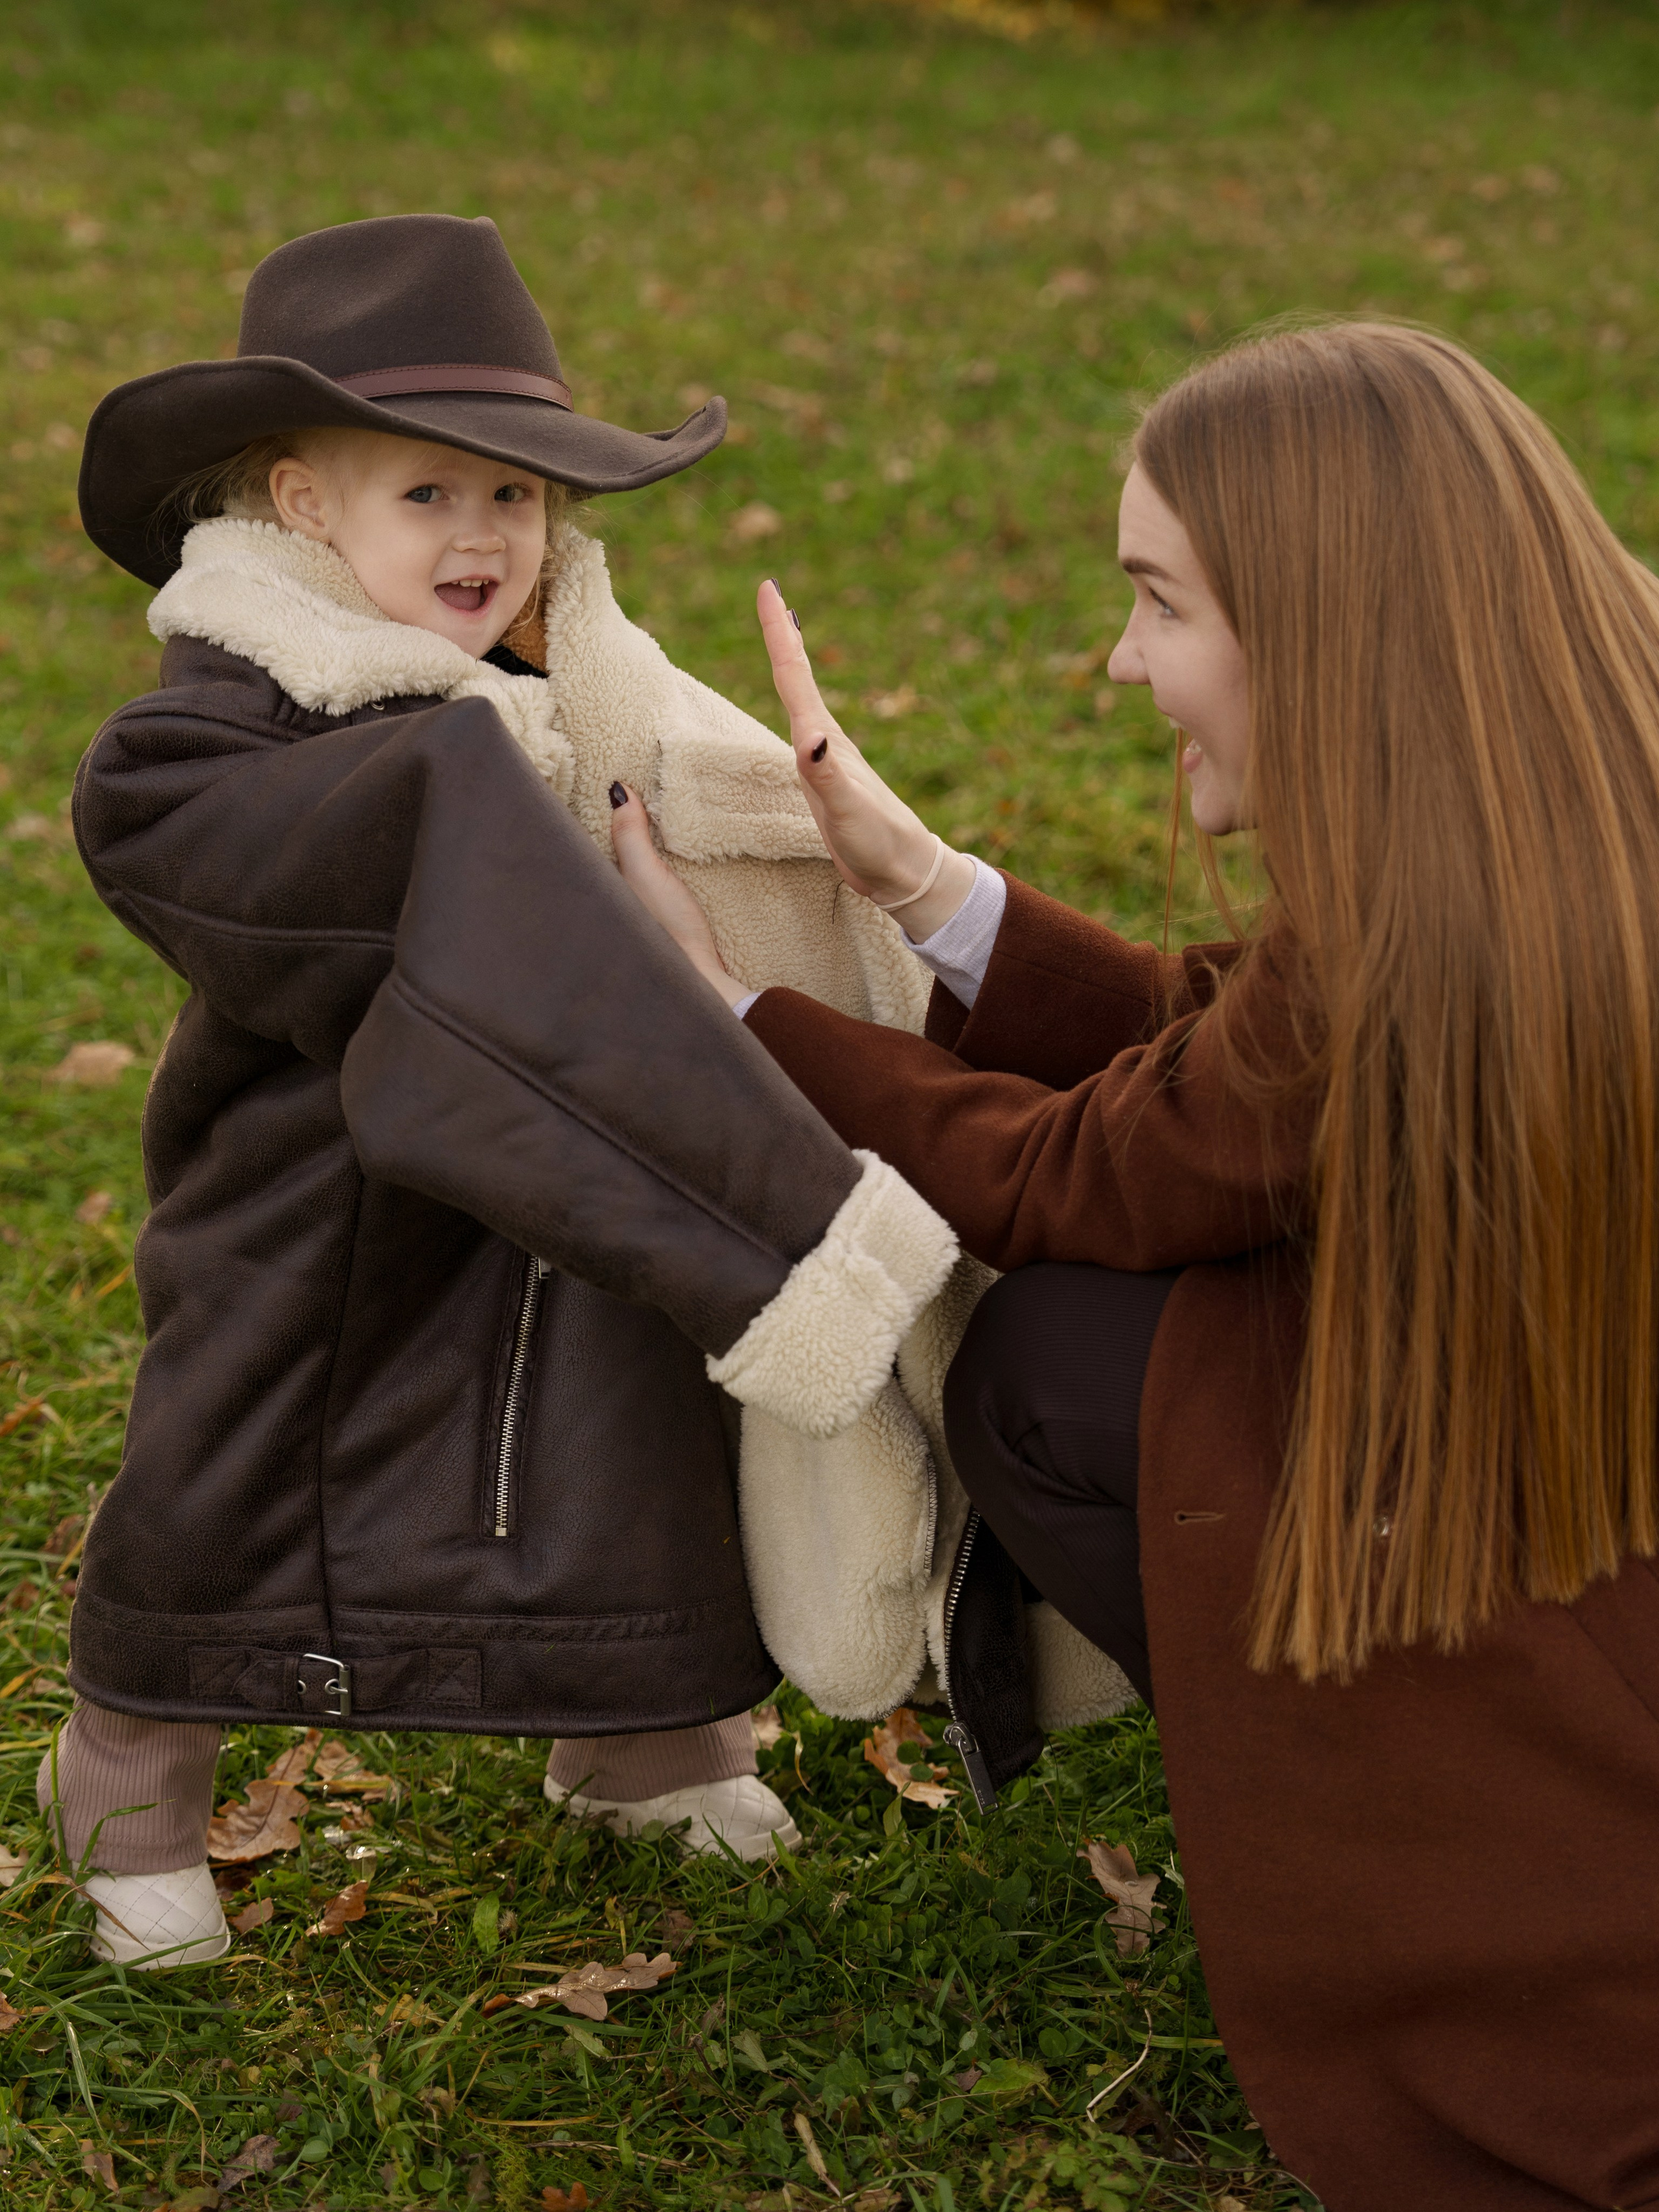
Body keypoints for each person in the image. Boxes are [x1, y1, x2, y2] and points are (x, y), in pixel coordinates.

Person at [612, 322, 1659, 2209]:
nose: (1120, 662)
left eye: (1159, 603)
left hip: (1585, 1591)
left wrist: (732, 1010)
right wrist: (928, 887)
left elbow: (1115, 1165)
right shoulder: (1567, 777)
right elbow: (1242, 1055)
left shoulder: (1432, 933)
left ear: (1323, 614)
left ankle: (1371, 1795)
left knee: (1080, 1364)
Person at [54, 212, 971, 1970]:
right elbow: (404, 855)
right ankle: (133, 1776)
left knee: (611, 1428)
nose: (484, 536)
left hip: (581, 1157)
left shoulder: (579, 711)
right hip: (316, 1220)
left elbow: (717, 833)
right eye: (427, 495)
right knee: (234, 1478)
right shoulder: (203, 754)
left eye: (516, 496)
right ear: (304, 507)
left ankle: (641, 1728)